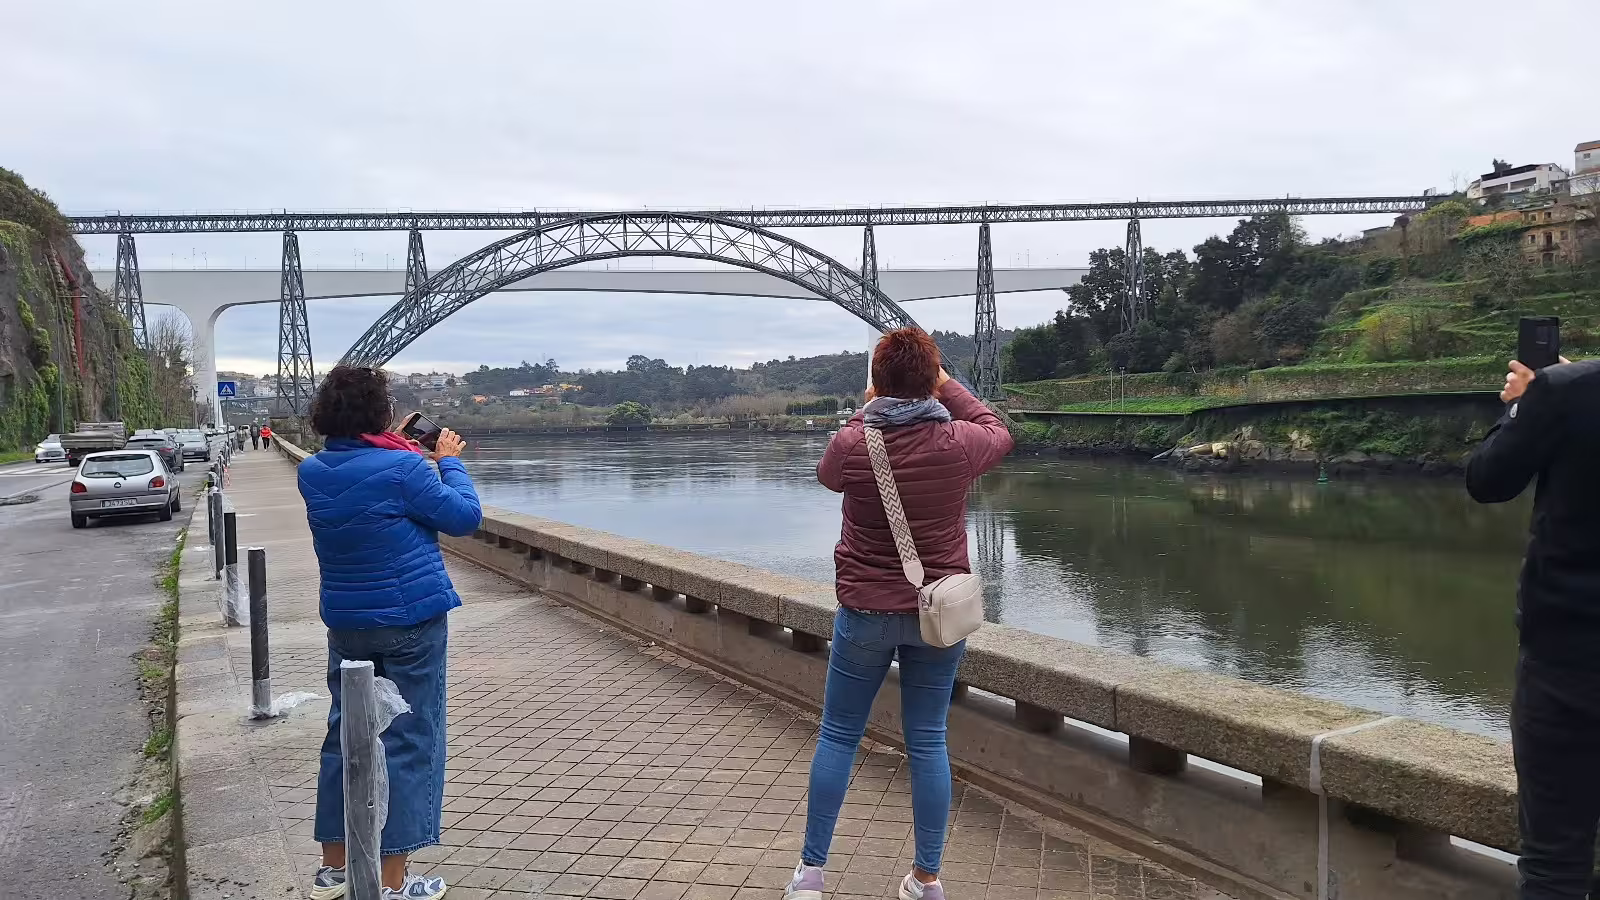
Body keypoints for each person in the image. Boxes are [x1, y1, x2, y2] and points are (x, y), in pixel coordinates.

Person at [786, 328, 1013, 900]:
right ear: (931, 379)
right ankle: (928, 878)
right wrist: (945, 384)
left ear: (877, 383)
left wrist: (871, 408)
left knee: (839, 736)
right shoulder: (959, 443)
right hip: (938, 613)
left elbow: (827, 476)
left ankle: (811, 878)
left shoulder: (853, 442)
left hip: (864, 611)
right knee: (929, 740)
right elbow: (999, 430)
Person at [297, 365, 482, 900]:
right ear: (379, 412)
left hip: (347, 624)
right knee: (407, 742)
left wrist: (396, 447)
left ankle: (334, 871)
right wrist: (448, 462)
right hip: (410, 625)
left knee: (345, 737)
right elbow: (465, 517)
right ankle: (393, 882)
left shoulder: (313, 470)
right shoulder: (406, 469)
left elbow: (365, 483)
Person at [1467, 354, 1600, 899]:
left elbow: (1488, 480)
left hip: (1569, 659)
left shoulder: (1569, 389)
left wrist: (1528, 403)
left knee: (1554, 866)